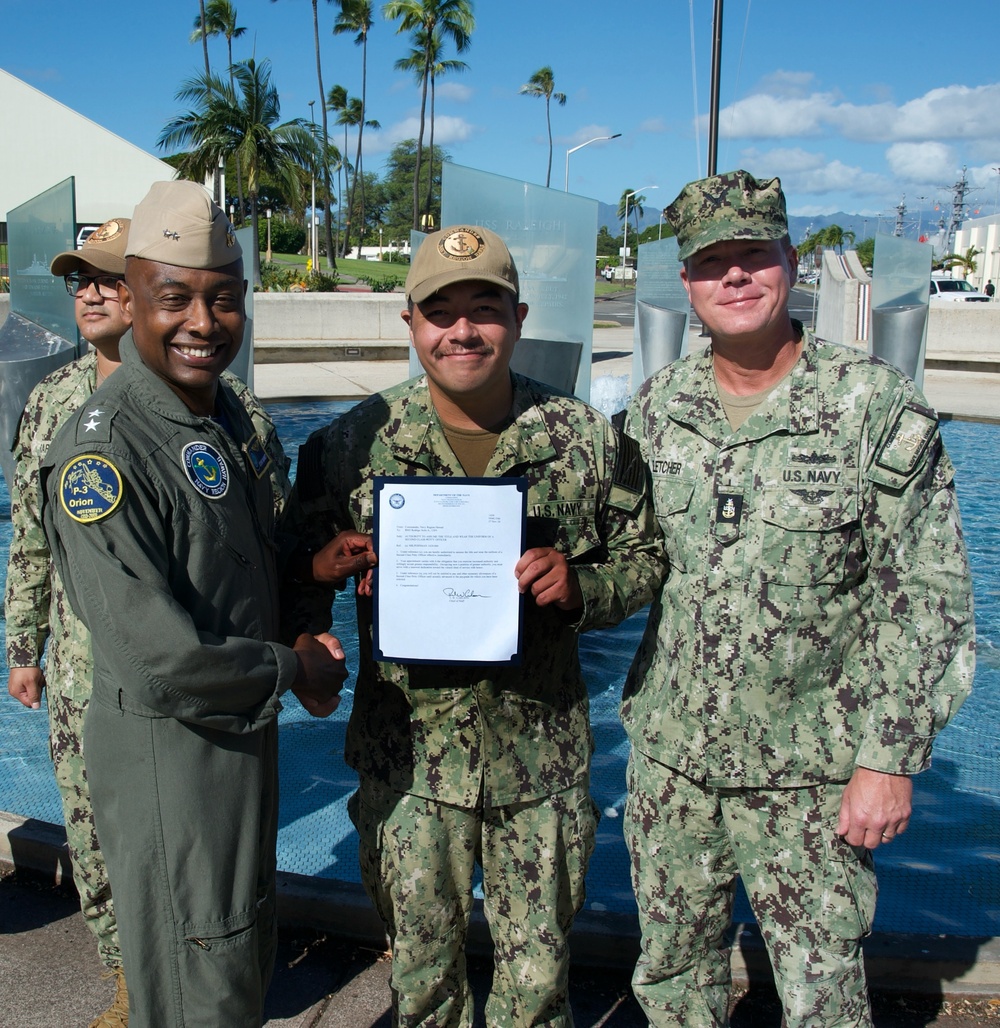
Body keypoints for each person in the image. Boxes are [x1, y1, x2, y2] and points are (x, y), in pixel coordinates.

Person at [282, 225, 664, 1026]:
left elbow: (645, 558)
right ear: (411, 324)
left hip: (540, 763)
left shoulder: (585, 441)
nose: (462, 330)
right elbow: (288, 568)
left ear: (517, 318)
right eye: (439, 311)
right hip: (409, 763)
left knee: (537, 980)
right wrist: (317, 601)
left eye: (484, 309)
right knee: (421, 981)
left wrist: (583, 586)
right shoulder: (346, 447)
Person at [620, 169, 976, 1027]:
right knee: (672, 982)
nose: (734, 277)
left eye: (754, 255)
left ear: (790, 261)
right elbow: (617, 557)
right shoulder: (657, 409)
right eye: (713, 263)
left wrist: (888, 759)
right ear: (688, 282)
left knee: (823, 996)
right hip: (674, 763)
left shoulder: (871, 406)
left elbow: (927, 599)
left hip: (812, 774)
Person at [38, 180, 346, 1028]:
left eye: (224, 300)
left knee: (235, 966)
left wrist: (311, 571)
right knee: (196, 985)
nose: (203, 324)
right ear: (131, 300)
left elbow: (234, 575)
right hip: (175, 759)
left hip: (233, 742)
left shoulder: (215, 423)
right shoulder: (105, 453)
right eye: (174, 299)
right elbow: (161, 661)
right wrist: (296, 665)